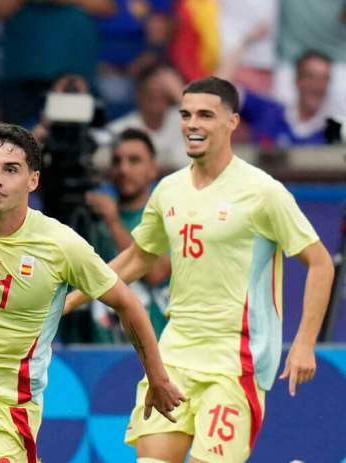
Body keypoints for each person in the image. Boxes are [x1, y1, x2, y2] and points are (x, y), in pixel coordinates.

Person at [65, 77, 334, 462]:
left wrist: (305, 343)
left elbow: (320, 262)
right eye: (187, 114)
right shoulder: (169, 190)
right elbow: (139, 257)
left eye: (206, 115)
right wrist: (72, 299)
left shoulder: (263, 191)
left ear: (232, 122)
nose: (193, 124)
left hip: (234, 361)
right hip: (173, 354)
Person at [0, 123, 185, 462]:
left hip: (8, 407)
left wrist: (157, 378)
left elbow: (128, 305)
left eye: (10, 169)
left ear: (33, 180)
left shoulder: (60, 245)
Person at [86, 128, 170, 340]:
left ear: (153, 169)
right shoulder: (94, 217)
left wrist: (113, 222)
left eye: (134, 160)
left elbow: (156, 273)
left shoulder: (167, 214)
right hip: (99, 351)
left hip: (152, 348)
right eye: (117, 161)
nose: (123, 169)